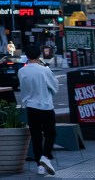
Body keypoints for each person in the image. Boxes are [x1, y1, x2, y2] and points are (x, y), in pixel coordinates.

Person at [19, 44, 59, 175]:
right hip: (45, 106)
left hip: (30, 107)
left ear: (26, 56)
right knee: (50, 133)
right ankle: (45, 157)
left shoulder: (22, 71)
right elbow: (54, 87)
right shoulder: (44, 70)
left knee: (36, 135)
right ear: (39, 55)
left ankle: (39, 165)